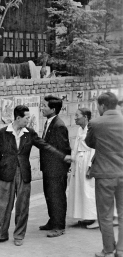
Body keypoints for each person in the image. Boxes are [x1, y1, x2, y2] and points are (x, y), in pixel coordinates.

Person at [0, 105, 70, 246]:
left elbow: (45, 146)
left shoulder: (29, 133)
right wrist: (2, 170)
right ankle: (2, 234)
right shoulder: (2, 133)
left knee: (22, 206)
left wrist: (62, 156)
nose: (28, 120)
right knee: (4, 207)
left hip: (23, 173)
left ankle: (19, 235)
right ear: (18, 118)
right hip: (6, 174)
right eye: (26, 118)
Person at [85, 92, 123, 257]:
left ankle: (108, 251)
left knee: (105, 214)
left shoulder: (95, 123)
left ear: (102, 106)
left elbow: (90, 143)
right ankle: (121, 251)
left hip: (104, 174)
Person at [39, 95, 72, 238]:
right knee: (49, 195)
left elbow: (64, 149)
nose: (42, 108)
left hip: (56, 169)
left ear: (52, 109)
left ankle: (59, 226)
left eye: (45, 106)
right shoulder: (49, 122)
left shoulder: (59, 126)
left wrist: (62, 169)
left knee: (57, 196)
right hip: (48, 167)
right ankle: (53, 221)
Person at [67, 108, 98, 229]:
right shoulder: (80, 129)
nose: (75, 118)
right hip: (79, 162)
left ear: (85, 117)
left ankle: (96, 218)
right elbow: (75, 147)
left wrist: (91, 167)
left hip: (87, 161)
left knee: (89, 190)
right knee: (80, 190)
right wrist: (73, 160)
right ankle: (86, 217)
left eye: (77, 115)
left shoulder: (92, 129)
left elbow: (94, 148)